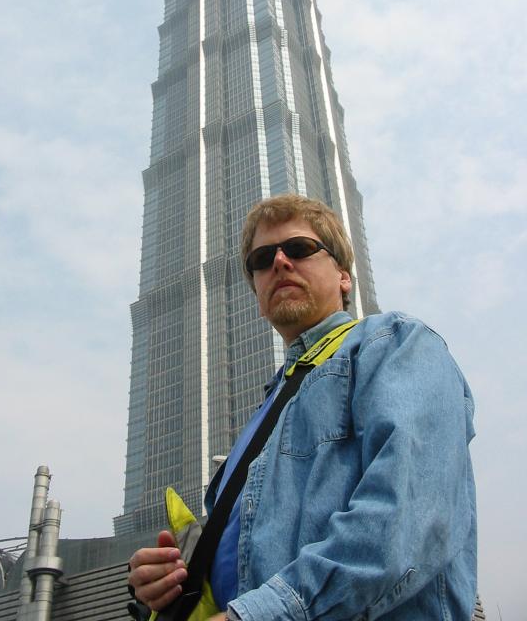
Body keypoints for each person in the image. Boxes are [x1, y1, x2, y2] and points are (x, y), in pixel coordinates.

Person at [129, 194, 477, 620]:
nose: (278, 263)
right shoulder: (260, 424)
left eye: (298, 249)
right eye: (261, 258)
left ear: (344, 276)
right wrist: (171, 586)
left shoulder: (394, 343)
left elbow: (409, 518)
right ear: (256, 289)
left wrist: (258, 615)